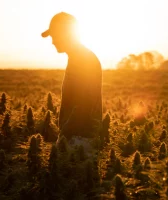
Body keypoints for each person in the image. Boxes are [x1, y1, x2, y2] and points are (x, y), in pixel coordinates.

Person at [41, 12, 103, 151]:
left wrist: (66, 134)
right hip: (78, 136)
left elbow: (83, 103)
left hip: (80, 139)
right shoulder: (78, 57)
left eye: (55, 35)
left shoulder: (82, 59)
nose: (53, 41)